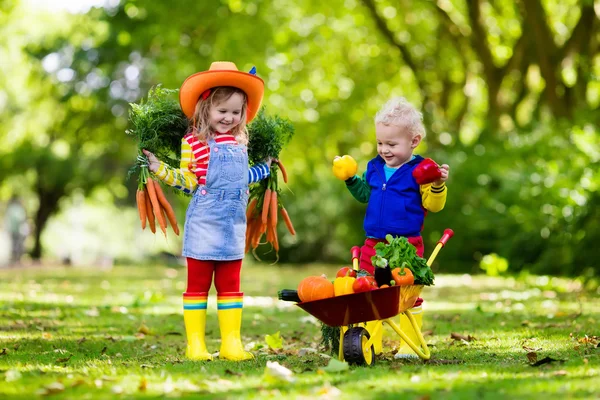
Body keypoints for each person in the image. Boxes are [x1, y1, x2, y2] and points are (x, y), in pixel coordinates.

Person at [143, 61, 271, 361]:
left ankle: (231, 343)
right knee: (198, 284)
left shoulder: (242, 143)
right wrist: (159, 168)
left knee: (230, 285)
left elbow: (244, 178)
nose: (229, 117)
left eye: (235, 112)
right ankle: (196, 344)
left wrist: (265, 167)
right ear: (206, 109)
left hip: (233, 226)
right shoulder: (194, 143)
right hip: (204, 222)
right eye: (222, 110)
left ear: (243, 114)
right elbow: (188, 182)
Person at [332, 97, 450, 358]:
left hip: (406, 245)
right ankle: (369, 344)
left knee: (407, 295)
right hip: (373, 243)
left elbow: (434, 204)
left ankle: (409, 345)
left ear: (414, 141)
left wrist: (438, 184)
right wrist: (350, 178)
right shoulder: (374, 167)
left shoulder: (421, 170)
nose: (384, 149)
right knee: (367, 292)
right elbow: (364, 195)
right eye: (380, 143)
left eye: (392, 144)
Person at [5, 195, 29, 266]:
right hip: (17, 230)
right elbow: (22, 219)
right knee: (17, 244)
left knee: (15, 244)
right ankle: (16, 259)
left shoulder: (11, 209)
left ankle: (16, 259)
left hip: (15, 230)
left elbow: (8, 220)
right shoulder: (18, 209)